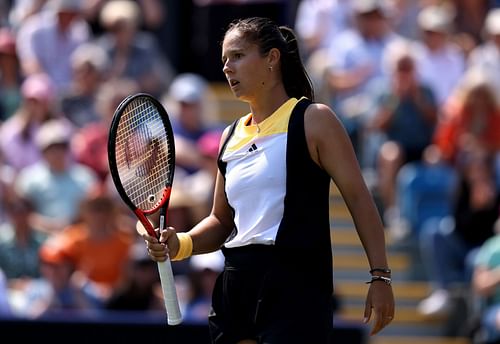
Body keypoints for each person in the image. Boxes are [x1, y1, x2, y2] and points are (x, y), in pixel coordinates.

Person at [142, 17, 394, 343]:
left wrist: (380, 276)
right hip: (234, 289)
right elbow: (221, 221)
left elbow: (360, 199)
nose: (227, 68)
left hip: (296, 289)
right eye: (224, 60)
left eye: (237, 56)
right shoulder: (228, 136)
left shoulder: (315, 120)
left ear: (272, 58)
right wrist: (180, 244)